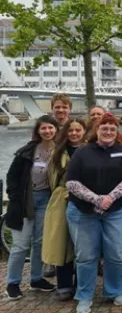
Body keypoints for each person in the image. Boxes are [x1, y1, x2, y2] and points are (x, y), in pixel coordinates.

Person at [66, 113, 122, 313]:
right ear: (96, 130)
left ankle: (115, 291)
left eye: (112, 128)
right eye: (104, 127)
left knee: (117, 253)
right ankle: (85, 296)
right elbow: (71, 182)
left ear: (117, 132)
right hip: (83, 211)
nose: (108, 131)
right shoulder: (82, 152)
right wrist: (96, 199)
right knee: (86, 256)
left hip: (117, 210)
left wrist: (110, 198)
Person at [4, 115, 59, 300]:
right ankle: (12, 283)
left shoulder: (59, 151)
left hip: (47, 200)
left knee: (39, 243)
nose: (47, 131)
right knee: (20, 245)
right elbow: (12, 176)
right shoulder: (27, 151)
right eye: (43, 128)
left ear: (56, 130)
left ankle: (37, 278)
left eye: (51, 128)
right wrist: (15, 197)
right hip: (25, 201)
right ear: (38, 131)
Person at [42, 118, 87, 301]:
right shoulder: (57, 151)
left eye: (78, 130)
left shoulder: (90, 150)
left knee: (83, 245)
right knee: (62, 242)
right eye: (71, 130)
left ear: (84, 132)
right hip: (61, 199)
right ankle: (64, 284)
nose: (74, 133)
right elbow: (52, 178)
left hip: (85, 198)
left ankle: (81, 284)